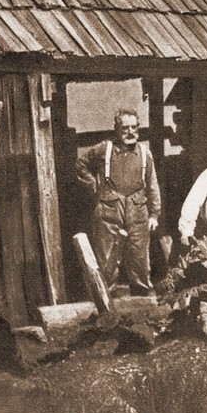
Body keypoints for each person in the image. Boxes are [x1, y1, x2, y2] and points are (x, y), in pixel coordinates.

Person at [76, 109, 161, 296]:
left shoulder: (145, 153)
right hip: (109, 208)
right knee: (107, 260)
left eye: (134, 127)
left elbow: (152, 184)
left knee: (139, 259)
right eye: (125, 128)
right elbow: (81, 165)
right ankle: (107, 305)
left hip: (137, 209)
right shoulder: (103, 149)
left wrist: (154, 214)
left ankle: (142, 302)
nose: (130, 132)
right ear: (116, 129)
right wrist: (94, 184)